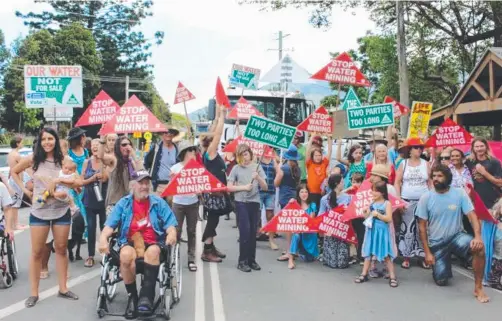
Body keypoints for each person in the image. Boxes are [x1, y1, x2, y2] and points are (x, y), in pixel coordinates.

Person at [11, 127, 82, 307]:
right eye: (44, 139)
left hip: (61, 210)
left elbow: (79, 181)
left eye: (51, 139)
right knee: (37, 252)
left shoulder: (65, 160)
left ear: (56, 141)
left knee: (61, 248)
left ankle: (63, 289)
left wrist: (62, 182)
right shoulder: (34, 159)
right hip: (39, 211)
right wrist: (26, 190)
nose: (47, 142)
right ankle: (34, 294)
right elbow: (14, 171)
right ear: (40, 142)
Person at [98, 170, 178, 318]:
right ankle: (133, 297)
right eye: (141, 183)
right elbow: (109, 226)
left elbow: (170, 225)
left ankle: (146, 297)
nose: (145, 186)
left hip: (154, 242)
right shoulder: (124, 203)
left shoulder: (158, 202)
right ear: (132, 186)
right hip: (129, 242)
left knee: (153, 252)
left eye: (147, 183)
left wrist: (172, 233)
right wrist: (103, 239)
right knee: (126, 254)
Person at [416, 164, 489, 303]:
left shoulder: (459, 193)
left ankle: (478, 288)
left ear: (448, 178)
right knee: (442, 280)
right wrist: (427, 253)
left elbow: (472, 216)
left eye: (440, 176)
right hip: (437, 244)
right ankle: (442, 264)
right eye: (434, 176)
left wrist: (478, 237)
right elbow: (422, 227)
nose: (436, 179)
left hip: (457, 237)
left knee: (479, 248)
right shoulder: (426, 197)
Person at [228, 144, 268, 272]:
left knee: (252, 233)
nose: (244, 156)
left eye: (246, 153)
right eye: (241, 154)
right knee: (245, 231)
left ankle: (252, 260)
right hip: (241, 202)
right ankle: (242, 261)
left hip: (254, 202)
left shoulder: (257, 167)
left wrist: (258, 178)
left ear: (250, 153)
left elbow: (265, 187)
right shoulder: (236, 168)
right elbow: (229, 187)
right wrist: (244, 187)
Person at [199, 105, 230, 262]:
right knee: (212, 220)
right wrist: (223, 115)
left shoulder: (211, 152)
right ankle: (207, 250)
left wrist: (218, 114)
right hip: (213, 193)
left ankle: (211, 247)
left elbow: (214, 128)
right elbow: (217, 132)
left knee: (215, 219)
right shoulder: (210, 152)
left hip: (218, 192)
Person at [394, 137, 431, 269]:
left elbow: (430, 182)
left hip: (423, 200)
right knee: (407, 228)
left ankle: (423, 256)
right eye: (416, 147)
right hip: (407, 200)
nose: (419, 150)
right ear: (409, 150)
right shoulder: (403, 164)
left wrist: (432, 199)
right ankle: (407, 256)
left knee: (422, 229)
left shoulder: (425, 164)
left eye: (421, 147)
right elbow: (397, 182)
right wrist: (399, 201)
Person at [355, 181, 398, 287]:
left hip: (383, 232)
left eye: (376, 191)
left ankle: (392, 276)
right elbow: (367, 217)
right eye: (373, 190)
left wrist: (378, 214)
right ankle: (364, 274)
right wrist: (365, 212)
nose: (373, 193)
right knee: (368, 253)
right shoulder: (372, 203)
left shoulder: (387, 203)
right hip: (372, 230)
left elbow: (388, 218)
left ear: (382, 192)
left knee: (386, 255)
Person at [169, 140, 200, 272]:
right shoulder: (175, 168)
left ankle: (191, 258)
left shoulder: (197, 168)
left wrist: (199, 190)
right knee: (176, 231)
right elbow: (171, 188)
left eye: (194, 150)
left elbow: (200, 185)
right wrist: (172, 179)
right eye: (190, 150)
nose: (193, 153)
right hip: (178, 204)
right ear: (184, 153)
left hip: (192, 203)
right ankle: (173, 257)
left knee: (192, 231)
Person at [100, 136, 143, 214]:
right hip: (114, 204)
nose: (127, 147)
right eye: (124, 145)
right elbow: (101, 156)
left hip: (129, 204)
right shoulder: (114, 160)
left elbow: (142, 173)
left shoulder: (131, 162)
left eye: (129, 144)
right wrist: (103, 142)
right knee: (112, 226)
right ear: (118, 147)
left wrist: (133, 154)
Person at [81, 139, 107, 268]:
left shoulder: (105, 162)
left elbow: (107, 178)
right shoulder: (87, 162)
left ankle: (106, 254)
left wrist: (103, 174)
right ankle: (90, 256)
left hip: (103, 200)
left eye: (97, 146)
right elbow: (81, 181)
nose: (95, 148)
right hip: (89, 199)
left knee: (104, 228)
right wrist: (92, 178)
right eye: (93, 146)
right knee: (91, 228)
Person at [274, 145, 302, 262]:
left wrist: (278, 169)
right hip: (294, 196)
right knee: (293, 225)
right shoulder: (298, 169)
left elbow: (276, 183)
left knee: (288, 226)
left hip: (285, 197)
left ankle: (289, 251)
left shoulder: (284, 168)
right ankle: (293, 250)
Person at [320, 174, 350, 269]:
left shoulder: (348, 197)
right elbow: (321, 215)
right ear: (337, 184)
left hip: (342, 230)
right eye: (342, 182)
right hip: (331, 230)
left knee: (341, 264)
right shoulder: (325, 199)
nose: (344, 183)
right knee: (332, 263)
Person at [144, 126, 180, 199]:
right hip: (158, 185)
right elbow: (146, 162)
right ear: (161, 134)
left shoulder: (178, 149)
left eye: (171, 132)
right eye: (165, 132)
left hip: (172, 185)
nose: (168, 134)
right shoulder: (156, 148)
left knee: (170, 209)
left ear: (174, 135)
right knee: (157, 208)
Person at [288, 184, 318, 270]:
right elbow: (289, 217)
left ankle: (298, 252)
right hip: (299, 233)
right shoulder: (295, 204)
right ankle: (290, 259)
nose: (304, 194)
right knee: (296, 234)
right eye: (302, 192)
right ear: (298, 193)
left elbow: (310, 221)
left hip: (309, 235)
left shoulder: (312, 205)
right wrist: (290, 202)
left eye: (306, 191)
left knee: (308, 259)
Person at [306, 134, 332, 210]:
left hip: (323, 193)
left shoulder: (324, 163)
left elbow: (330, 150)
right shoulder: (309, 163)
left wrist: (328, 137)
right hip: (311, 193)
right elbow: (307, 150)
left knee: (321, 213)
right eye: (316, 156)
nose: (318, 157)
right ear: (312, 157)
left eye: (319, 155)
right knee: (312, 212)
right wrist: (311, 137)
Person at [7, 135, 25, 230]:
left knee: (14, 203)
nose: (22, 144)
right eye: (21, 142)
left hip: (12, 180)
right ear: (17, 144)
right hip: (17, 180)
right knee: (16, 204)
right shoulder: (17, 155)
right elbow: (25, 166)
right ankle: (15, 224)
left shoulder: (10, 154)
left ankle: (15, 223)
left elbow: (11, 169)